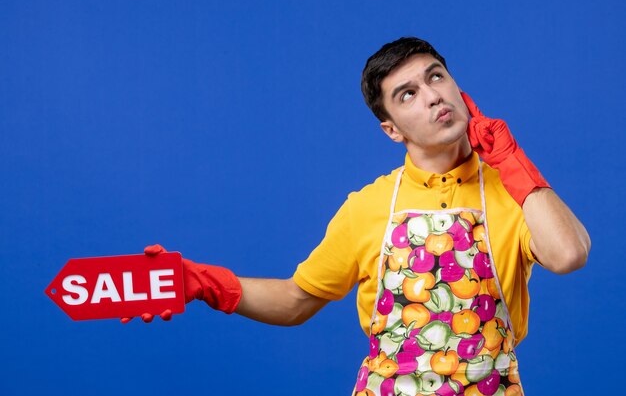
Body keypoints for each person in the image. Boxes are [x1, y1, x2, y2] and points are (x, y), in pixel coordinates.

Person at [126, 37, 591, 396]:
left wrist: (511, 161)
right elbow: (295, 299)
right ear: (391, 129)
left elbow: (568, 254)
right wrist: (203, 284)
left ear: (458, 88)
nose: (431, 96)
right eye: (407, 94)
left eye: (435, 77)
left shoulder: (515, 193)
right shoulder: (368, 207)